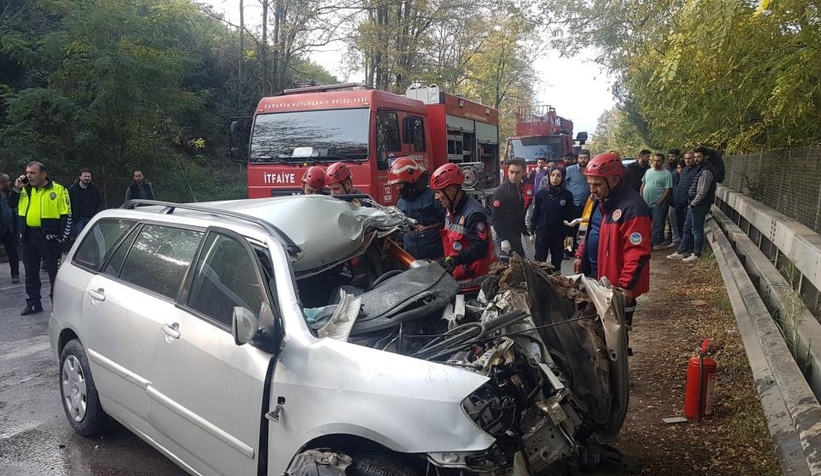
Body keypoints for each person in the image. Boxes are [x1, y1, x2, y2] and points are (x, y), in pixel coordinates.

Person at [574, 152, 651, 330]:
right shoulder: (602, 201)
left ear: (615, 180)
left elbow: (637, 251)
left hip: (615, 288)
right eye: (590, 184)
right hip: (596, 278)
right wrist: (580, 254)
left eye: (597, 184)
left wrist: (625, 287)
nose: (592, 190)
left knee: (615, 338)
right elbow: (592, 230)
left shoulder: (633, 208)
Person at [8, 161, 72, 315]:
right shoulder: (24, 190)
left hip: (49, 238)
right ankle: (33, 303)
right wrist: (16, 189)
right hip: (28, 236)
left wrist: (62, 237)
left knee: (54, 274)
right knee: (30, 272)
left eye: (33, 173)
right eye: (27, 172)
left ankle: (57, 305)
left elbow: (67, 214)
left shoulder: (58, 190)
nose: (28, 176)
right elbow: (11, 204)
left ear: (43, 174)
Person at [429, 163, 495, 281]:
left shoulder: (474, 214)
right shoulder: (450, 211)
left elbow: (480, 248)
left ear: (450, 191)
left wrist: (454, 260)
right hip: (458, 277)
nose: (436, 197)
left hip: (474, 281)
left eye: (437, 192)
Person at [387, 157, 444, 260]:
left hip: (436, 258)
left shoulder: (433, 197)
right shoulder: (401, 203)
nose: (397, 188)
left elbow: (447, 223)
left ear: (410, 182)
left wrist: (427, 229)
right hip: (412, 260)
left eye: (400, 184)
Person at [668, 146, 717, 263]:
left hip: (699, 205)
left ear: (706, 157)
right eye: (695, 157)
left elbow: (702, 192)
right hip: (693, 204)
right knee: (687, 228)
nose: (696, 159)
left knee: (696, 229)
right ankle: (681, 251)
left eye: (699, 157)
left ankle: (696, 253)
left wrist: (693, 204)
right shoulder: (700, 169)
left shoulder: (706, 171)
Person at [531, 168, 574, 273]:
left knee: (557, 262)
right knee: (539, 261)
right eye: (553, 175)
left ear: (562, 177)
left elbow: (570, 216)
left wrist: (571, 235)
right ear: (549, 176)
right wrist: (531, 232)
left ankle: (556, 283)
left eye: (558, 175)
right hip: (542, 233)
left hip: (558, 235)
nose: (555, 178)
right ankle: (539, 284)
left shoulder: (567, 195)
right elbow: (536, 213)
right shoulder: (541, 194)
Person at [490, 158, 528, 258]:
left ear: (523, 172)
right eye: (511, 172)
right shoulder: (501, 191)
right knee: (509, 269)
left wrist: (525, 232)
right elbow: (495, 217)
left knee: (520, 264)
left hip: (515, 233)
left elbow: (519, 214)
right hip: (505, 234)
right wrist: (503, 239)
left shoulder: (518, 189)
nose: (514, 176)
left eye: (517, 173)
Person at [640, 153, 673, 248]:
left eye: (658, 161)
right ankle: (644, 241)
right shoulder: (648, 171)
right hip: (645, 202)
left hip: (658, 204)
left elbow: (668, 189)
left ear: (662, 162)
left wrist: (661, 200)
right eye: (654, 160)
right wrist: (640, 197)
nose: (656, 162)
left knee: (657, 224)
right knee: (645, 223)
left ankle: (651, 243)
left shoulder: (667, 174)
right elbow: (643, 184)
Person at [564, 149, 591, 254]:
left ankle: (575, 244)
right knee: (570, 227)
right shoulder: (570, 170)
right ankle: (567, 249)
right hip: (572, 203)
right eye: (581, 158)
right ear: (577, 159)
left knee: (581, 227)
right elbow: (563, 182)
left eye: (585, 158)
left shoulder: (591, 169)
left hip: (585, 204)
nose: (583, 160)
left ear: (589, 158)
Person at [68, 169, 103, 239]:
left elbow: (99, 202)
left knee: (98, 238)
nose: (87, 178)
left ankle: (102, 250)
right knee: (78, 239)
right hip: (78, 220)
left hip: (92, 218)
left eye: (89, 176)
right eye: (85, 176)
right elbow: (69, 204)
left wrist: (98, 214)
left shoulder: (94, 188)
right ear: (80, 177)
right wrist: (74, 218)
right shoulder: (73, 189)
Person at [672, 152, 697, 243]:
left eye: (690, 158)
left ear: (694, 159)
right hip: (678, 202)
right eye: (686, 158)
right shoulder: (685, 170)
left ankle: (689, 246)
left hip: (688, 203)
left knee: (688, 227)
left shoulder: (697, 171)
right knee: (680, 224)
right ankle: (683, 243)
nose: (687, 160)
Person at [0, 173, 20, 284]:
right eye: (7, 181)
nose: (10, 183)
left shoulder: (11, 195)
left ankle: (15, 274)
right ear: (1, 183)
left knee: (13, 252)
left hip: (11, 228)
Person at [663, 149, 682, 247]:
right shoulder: (666, 168)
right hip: (667, 197)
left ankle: (677, 240)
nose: (671, 158)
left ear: (678, 156)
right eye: (670, 156)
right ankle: (669, 238)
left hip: (676, 197)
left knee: (676, 220)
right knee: (668, 220)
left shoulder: (680, 167)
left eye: (673, 156)